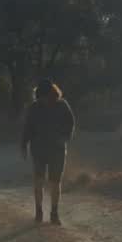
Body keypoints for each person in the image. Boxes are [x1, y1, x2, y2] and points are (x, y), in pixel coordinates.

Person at [20, 78, 76, 225]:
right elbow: (27, 128)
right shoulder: (34, 107)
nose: (43, 100)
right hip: (38, 150)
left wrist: (65, 138)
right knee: (38, 181)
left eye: (45, 97)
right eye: (40, 97)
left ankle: (54, 213)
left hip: (57, 150)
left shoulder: (62, 106)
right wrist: (23, 145)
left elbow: (71, 124)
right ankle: (38, 211)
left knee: (55, 182)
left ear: (52, 93)